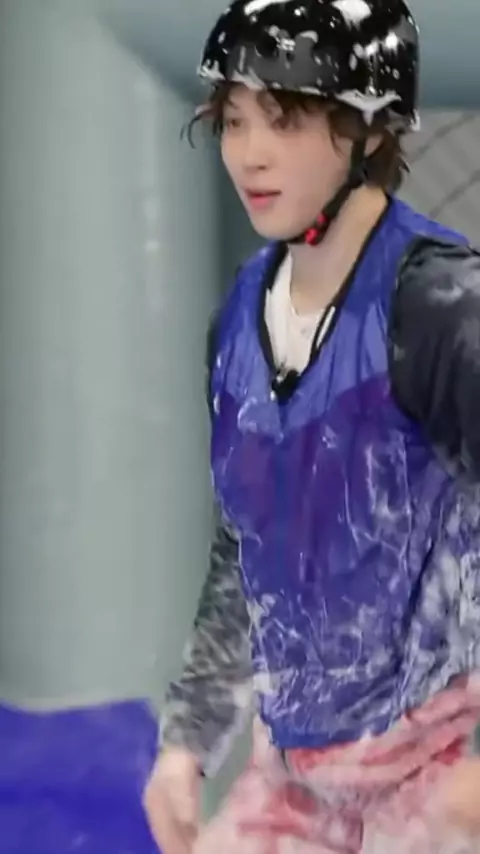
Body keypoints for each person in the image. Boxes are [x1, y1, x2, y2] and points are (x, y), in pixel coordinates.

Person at [144, 1, 480, 851]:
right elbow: (244, 548)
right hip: (298, 771)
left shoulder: (442, 311)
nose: (248, 153)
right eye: (233, 120)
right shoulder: (239, 321)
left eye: (284, 120)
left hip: (440, 764)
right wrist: (187, 743)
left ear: (371, 131)